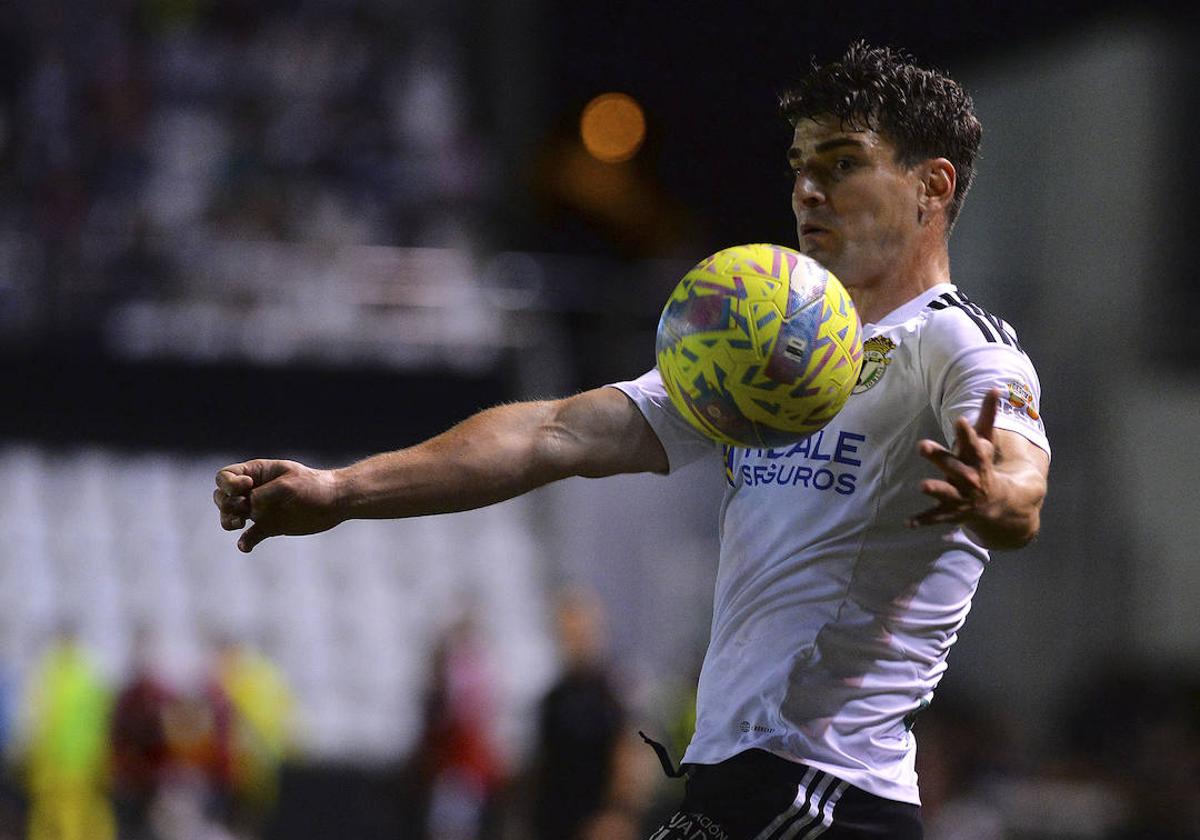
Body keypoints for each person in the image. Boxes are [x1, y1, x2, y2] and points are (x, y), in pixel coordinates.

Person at [213, 42, 1050, 839]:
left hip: (824, 789)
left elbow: (1022, 480)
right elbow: (554, 433)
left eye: (841, 163)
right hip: (752, 779)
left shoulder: (959, 344)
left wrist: (995, 497)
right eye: (799, 167)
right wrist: (341, 491)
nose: (807, 190)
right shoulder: (776, 355)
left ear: (932, 186)